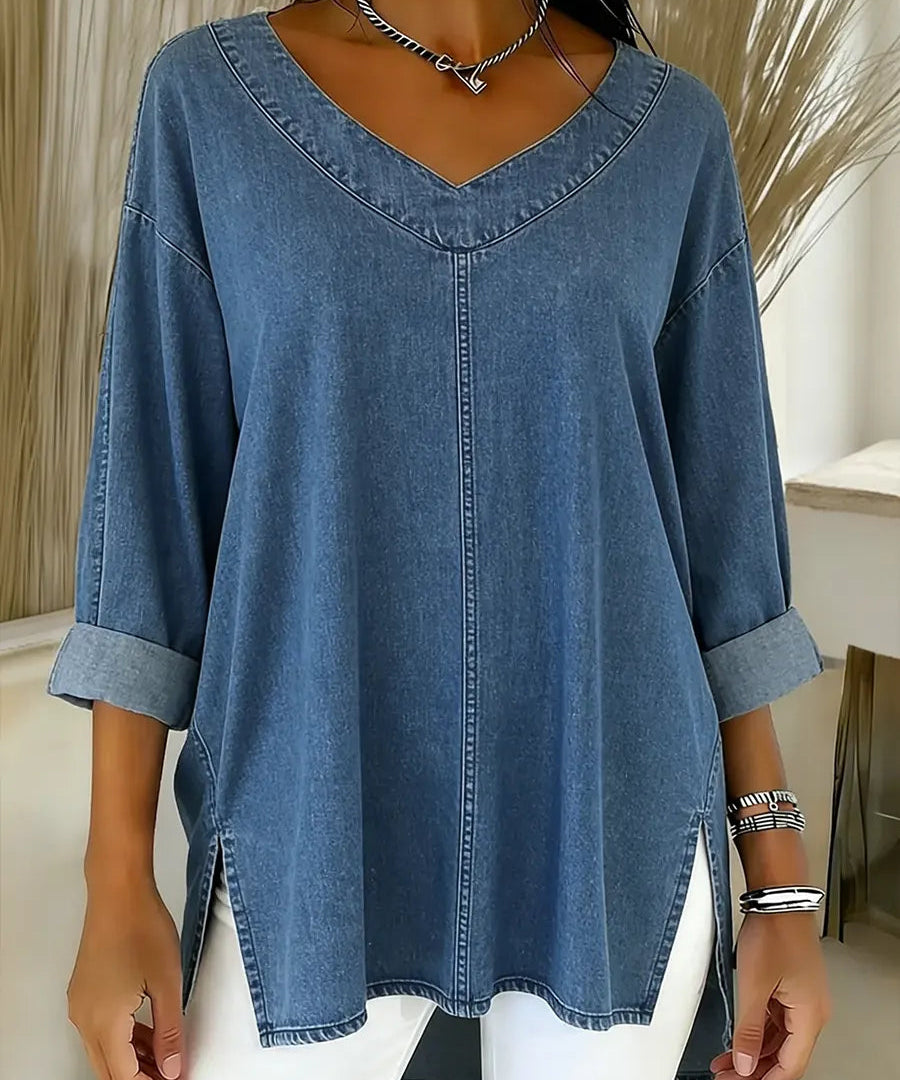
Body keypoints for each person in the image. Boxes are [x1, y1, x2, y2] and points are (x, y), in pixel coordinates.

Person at [46, 2, 833, 1078]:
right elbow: (149, 511)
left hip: (613, 816)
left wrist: (780, 889)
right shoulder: (206, 103)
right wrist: (116, 879)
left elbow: (723, 539)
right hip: (305, 816)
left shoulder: (674, 134)